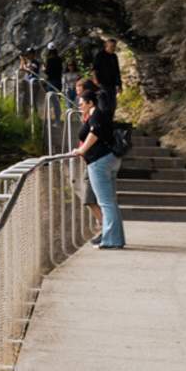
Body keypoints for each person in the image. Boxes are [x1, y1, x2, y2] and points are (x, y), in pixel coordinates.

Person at [71, 78, 124, 249]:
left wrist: (82, 150)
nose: (79, 106)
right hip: (108, 159)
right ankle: (116, 238)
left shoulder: (96, 114)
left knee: (106, 202)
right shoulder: (95, 114)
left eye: (81, 103)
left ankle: (111, 240)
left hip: (99, 162)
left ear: (89, 103)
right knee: (110, 202)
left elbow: (94, 133)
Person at [92, 37, 122, 110]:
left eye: (114, 46)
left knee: (113, 104)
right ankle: (104, 119)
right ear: (106, 45)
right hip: (102, 83)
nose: (113, 48)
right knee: (104, 104)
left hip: (112, 84)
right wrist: (96, 80)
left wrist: (119, 84)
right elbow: (94, 69)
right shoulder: (100, 55)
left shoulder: (114, 56)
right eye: (111, 46)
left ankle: (110, 119)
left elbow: (117, 71)